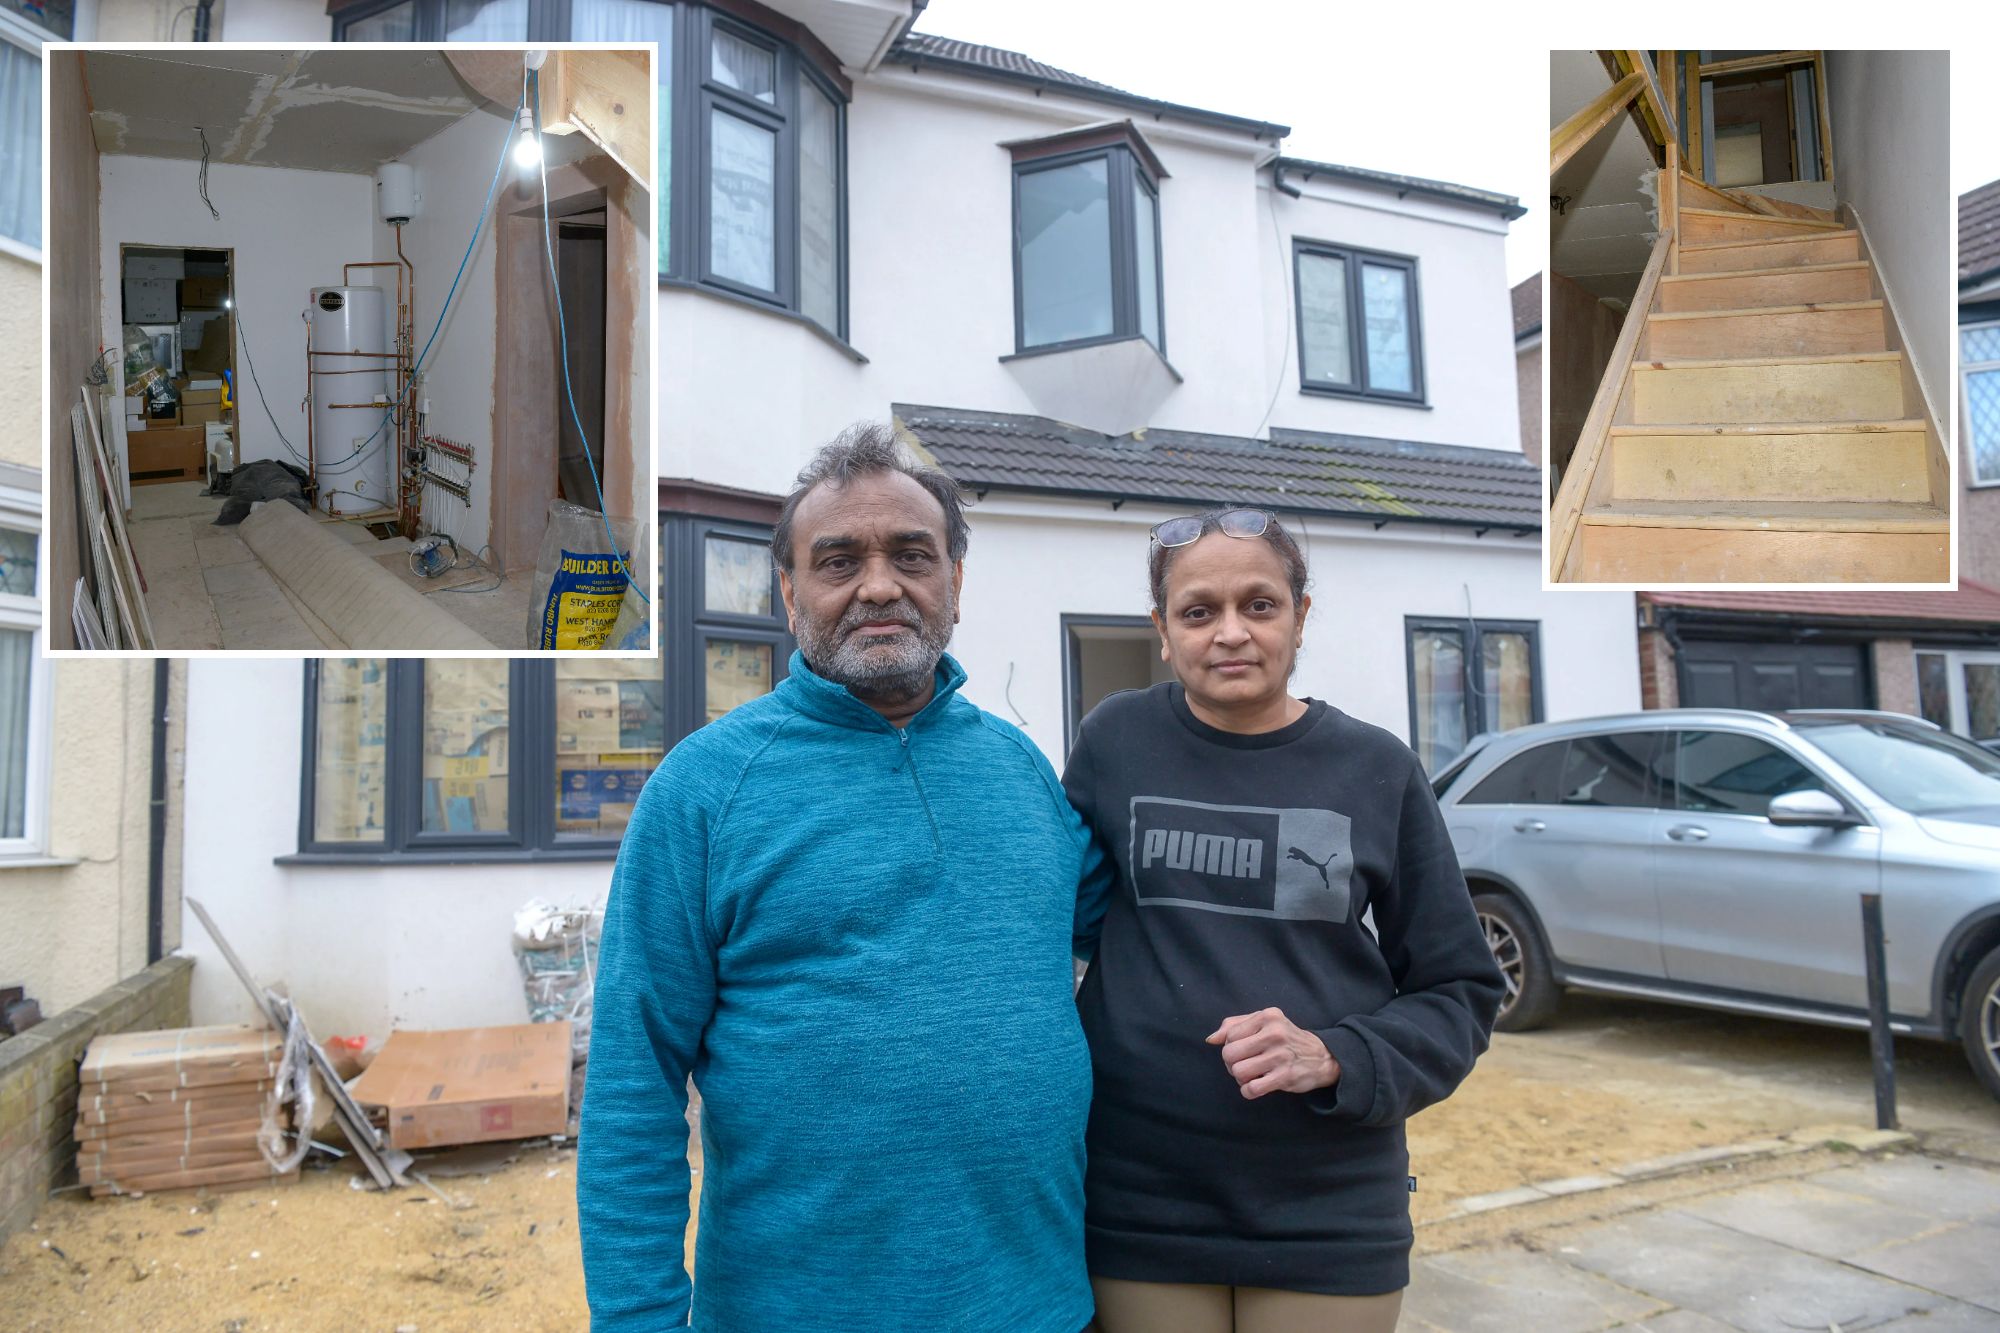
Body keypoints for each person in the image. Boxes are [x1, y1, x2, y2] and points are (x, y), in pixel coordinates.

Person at [578, 423, 1104, 1331]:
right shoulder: (703, 791)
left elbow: (1146, 920)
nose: (879, 585)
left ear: (955, 582)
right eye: (838, 560)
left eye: (912, 554)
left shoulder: (1022, 771)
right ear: (788, 591)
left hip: (1039, 1304)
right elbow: (633, 1088)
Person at [1064, 507, 1504, 1333]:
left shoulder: (1376, 767)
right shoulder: (1114, 742)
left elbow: (1461, 990)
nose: (1230, 632)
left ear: (1300, 616)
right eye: (1199, 611)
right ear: (1162, 630)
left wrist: (1338, 1053)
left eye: (1259, 605)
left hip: (1327, 1204)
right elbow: (1049, 905)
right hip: (1137, 1196)